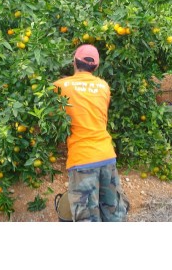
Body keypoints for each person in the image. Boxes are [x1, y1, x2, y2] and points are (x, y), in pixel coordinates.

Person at [53, 44, 129, 222]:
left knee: (87, 218)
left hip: (82, 160)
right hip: (107, 156)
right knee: (114, 214)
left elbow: (51, 115)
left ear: (74, 62)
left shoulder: (59, 87)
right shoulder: (104, 87)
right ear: (95, 67)